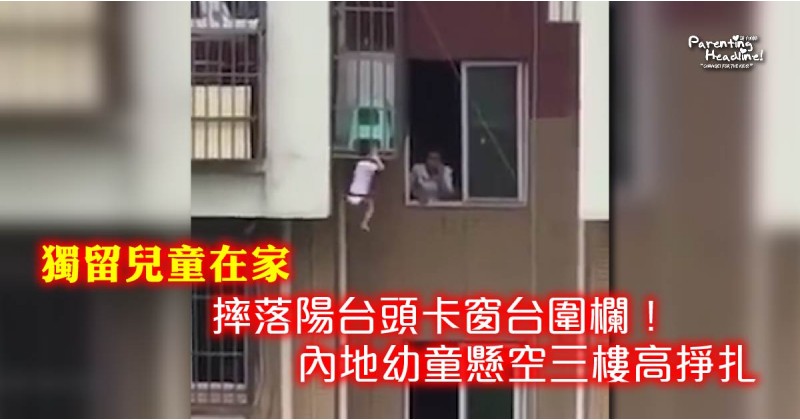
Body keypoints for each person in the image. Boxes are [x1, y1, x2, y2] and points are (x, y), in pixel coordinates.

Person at [347, 140, 385, 231]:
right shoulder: (369, 165)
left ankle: (363, 222)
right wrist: (376, 158)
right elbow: (381, 168)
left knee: (369, 205)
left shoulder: (359, 164)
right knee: (371, 207)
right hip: (360, 193)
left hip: (353, 191)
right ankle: (364, 223)